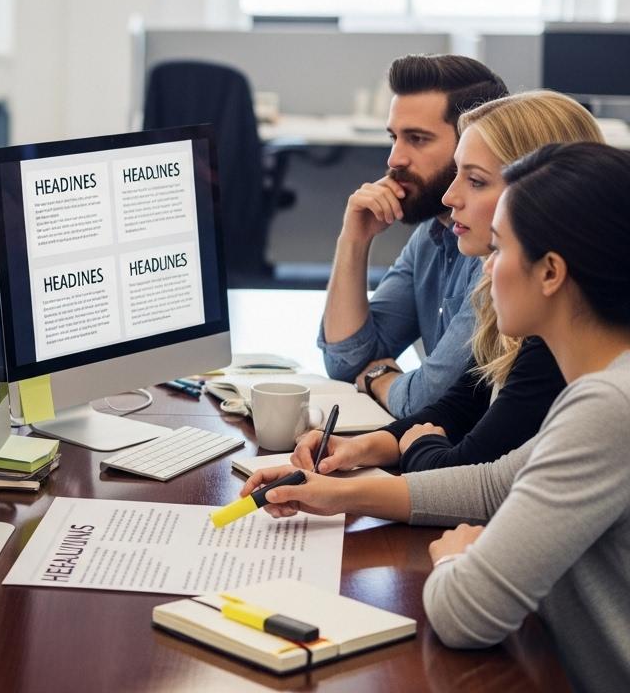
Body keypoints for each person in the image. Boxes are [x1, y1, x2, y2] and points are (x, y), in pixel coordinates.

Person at [241, 142, 630, 690]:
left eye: (499, 249)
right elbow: (497, 485)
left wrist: (455, 559)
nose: (486, 271)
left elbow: (465, 613)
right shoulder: (604, 387)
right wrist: (337, 494)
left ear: (550, 273)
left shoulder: (609, 407)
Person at [295, 91, 601, 474]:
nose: (449, 196)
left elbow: (468, 469)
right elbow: (456, 406)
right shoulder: (505, 300)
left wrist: (415, 441)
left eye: (474, 180)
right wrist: (363, 446)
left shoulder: (557, 340)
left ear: (540, 195)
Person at [319, 55, 509, 417]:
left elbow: (426, 399)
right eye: (394, 138)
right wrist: (354, 240)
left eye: (417, 139)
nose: (395, 159)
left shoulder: (497, 254)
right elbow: (345, 360)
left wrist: (377, 375)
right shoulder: (434, 233)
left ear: (472, 140)